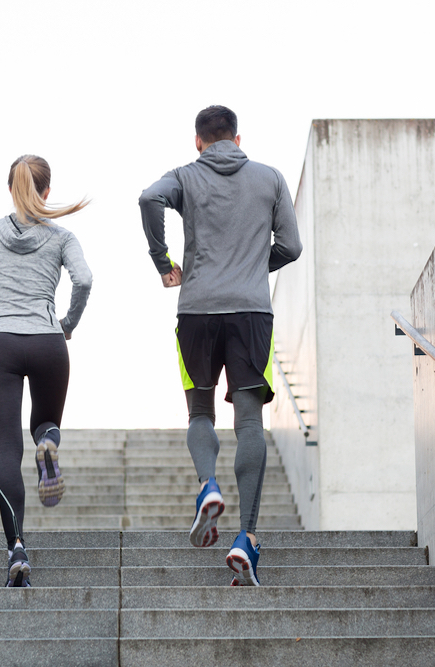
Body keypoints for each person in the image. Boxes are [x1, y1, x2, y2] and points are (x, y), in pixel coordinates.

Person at [139, 105, 302, 586]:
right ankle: (245, 537)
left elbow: (149, 198)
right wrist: (252, 265)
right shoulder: (270, 178)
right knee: (250, 419)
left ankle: (207, 485)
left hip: (196, 311)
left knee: (200, 413)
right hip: (252, 312)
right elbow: (290, 247)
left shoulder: (185, 176)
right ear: (237, 137)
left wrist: (162, 260)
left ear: (198, 141)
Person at [0, 155, 92, 587]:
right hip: (47, 341)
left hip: (0, 341)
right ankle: (49, 443)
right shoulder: (62, 236)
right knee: (44, 423)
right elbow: (85, 280)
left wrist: (6, 291)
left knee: (7, 450)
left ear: (10, 189)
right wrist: (68, 324)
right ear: (47, 191)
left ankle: (17, 548)